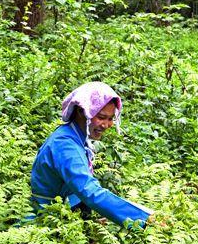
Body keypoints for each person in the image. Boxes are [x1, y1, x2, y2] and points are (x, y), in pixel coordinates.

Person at [30, 82, 154, 227]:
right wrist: (145, 220)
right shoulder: (65, 145)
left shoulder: (75, 137)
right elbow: (89, 191)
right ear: (82, 111)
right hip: (45, 221)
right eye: (101, 117)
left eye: (110, 119)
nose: (106, 125)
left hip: (61, 214)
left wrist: (88, 223)